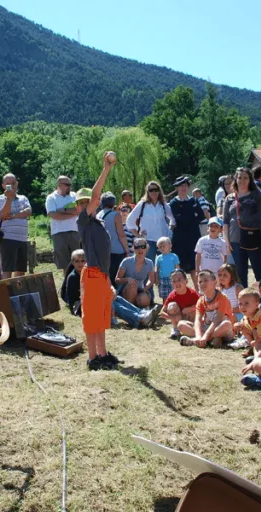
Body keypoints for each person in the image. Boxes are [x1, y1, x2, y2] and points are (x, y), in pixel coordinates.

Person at [74, 152, 122, 371]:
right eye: (82, 203)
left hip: (100, 275)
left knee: (101, 318)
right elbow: (96, 197)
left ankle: (102, 354)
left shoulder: (98, 222)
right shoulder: (83, 220)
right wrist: (106, 169)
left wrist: (108, 280)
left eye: (86, 202)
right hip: (92, 274)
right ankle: (93, 358)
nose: (86, 204)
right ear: (79, 207)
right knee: (92, 318)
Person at [64, 249, 160, 329]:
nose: (80, 263)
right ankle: (138, 319)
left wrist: (111, 292)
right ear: (73, 262)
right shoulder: (73, 277)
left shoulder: (89, 273)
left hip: (91, 301)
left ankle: (141, 313)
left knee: (116, 297)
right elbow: (85, 296)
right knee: (109, 301)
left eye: (82, 261)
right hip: (79, 306)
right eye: (77, 261)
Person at [223, 167, 261, 287]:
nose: (242, 180)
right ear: (235, 179)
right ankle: (244, 299)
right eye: (239, 177)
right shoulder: (229, 198)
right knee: (240, 272)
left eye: (245, 178)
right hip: (235, 239)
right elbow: (225, 221)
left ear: (250, 180)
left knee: (259, 269)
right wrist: (226, 241)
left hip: (253, 238)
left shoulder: (257, 195)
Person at [179, 270, 235, 348]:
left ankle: (194, 341)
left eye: (205, 280)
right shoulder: (201, 300)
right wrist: (199, 335)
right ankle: (209, 339)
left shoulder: (222, 297)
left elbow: (218, 319)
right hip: (208, 327)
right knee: (181, 325)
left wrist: (205, 335)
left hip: (221, 328)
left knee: (227, 324)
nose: (202, 283)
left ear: (215, 283)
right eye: (200, 281)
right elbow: (198, 320)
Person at [169, 176, 206, 283]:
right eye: (180, 186)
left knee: (195, 267)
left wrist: (188, 216)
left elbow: (201, 216)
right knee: (179, 268)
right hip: (179, 239)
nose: (183, 188)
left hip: (193, 237)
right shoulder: (173, 203)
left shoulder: (194, 200)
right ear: (176, 188)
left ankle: (198, 293)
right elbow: (179, 219)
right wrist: (191, 215)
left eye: (185, 185)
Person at [0, 173, 32, 279]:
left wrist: (14, 216)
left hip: (22, 238)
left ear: (17, 184)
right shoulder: (0, 199)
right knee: (7, 269)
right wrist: (9, 199)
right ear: (3, 186)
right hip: (8, 238)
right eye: (8, 184)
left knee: (20, 271)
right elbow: (4, 214)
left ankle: (17, 293)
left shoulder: (23, 198)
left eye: (13, 183)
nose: (11, 186)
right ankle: (6, 294)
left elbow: (28, 211)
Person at [126, 180, 173, 262]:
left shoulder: (163, 204)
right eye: (151, 190)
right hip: (148, 240)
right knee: (148, 265)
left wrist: (170, 231)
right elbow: (129, 221)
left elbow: (173, 218)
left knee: (164, 264)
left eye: (156, 189)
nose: (154, 192)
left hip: (163, 240)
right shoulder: (142, 204)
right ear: (147, 192)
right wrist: (138, 235)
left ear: (159, 191)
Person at [45, 176, 80, 276]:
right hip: (58, 233)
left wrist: (63, 210)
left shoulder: (74, 196)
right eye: (67, 185)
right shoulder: (51, 198)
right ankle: (67, 285)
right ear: (59, 185)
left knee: (79, 260)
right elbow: (53, 215)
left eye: (70, 185)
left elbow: (79, 210)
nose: (70, 187)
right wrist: (72, 213)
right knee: (65, 264)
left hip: (75, 231)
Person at [97, 192, 130, 287]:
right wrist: (127, 250)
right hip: (117, 250)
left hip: (103, 250)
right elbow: (121, 235)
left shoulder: (98, 214)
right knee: (117, 277)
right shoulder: (116, 215)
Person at [116, 238, 155, 308]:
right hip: (125, 291)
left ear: (147, 248)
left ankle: (135, 309)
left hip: (140, 290)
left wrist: (145, 288)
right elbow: (117, 280)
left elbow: (151, 280)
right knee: (132, 286)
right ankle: (130, 310)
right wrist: (127, 279)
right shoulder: (126, 261)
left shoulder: (150, 263)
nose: (140, 249)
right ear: (133, 249)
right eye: (137, 247)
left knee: (145, 299)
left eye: (143, 246)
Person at [234, 289, 261, 359]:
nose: (242, 306)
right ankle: (253, 348)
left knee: (258, 340)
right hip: (259, 338)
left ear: (256, 304)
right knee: (242, 327)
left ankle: (258, 357)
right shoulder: (246, 317)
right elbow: (245, 330)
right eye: (240, 304)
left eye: (246, 303)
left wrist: (255, 342)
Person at [161, 269, 199, 339]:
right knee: (171, 305)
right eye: (174, 281)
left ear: (186, 281)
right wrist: (173, 318)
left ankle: (192, 329)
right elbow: (162, 312)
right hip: (179, 318)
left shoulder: (193, 293)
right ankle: (176, 329)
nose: (177, 283)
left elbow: (202, 307)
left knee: (194, 308)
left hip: (190, 320)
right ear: (171, 283)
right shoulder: (172, 295)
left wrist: (189, 309)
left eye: (179, 280)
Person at [155, 236, 179, 303]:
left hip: (172, 279)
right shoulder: (159, 258)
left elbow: (177, 267)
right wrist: (157, 278)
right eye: (160, 246)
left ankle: (175, 307)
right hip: (162, 279)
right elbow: (157, 269)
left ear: (170, 245)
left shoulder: (174, 256)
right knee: (164, 295)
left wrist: (179, 277)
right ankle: (165, 308)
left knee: (174, 293)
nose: (162, 248)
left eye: (164, 246)